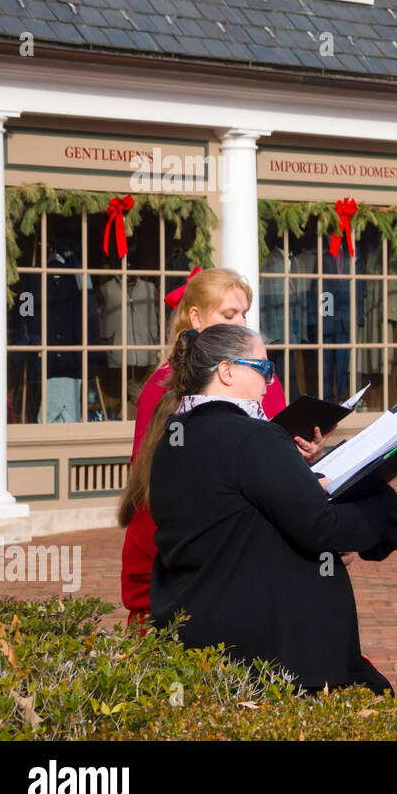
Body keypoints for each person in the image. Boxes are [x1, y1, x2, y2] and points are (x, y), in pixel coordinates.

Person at [142, 324, 397, 692]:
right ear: (226, 371)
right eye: (262, 369)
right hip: (269, 653)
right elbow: (320, 525)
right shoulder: (252, 436)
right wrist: (383, 494)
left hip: (202, 634)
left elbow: (235, 523)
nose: (270, 381)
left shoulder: (175, 434)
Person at [118, 268, 326, 627]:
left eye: (244, 313)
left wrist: (302, 453)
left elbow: (274, 447)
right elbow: (151, 476)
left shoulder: (262, 376)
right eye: (229, 315)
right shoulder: (163, 386)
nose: (241, 322)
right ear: (195, 316)